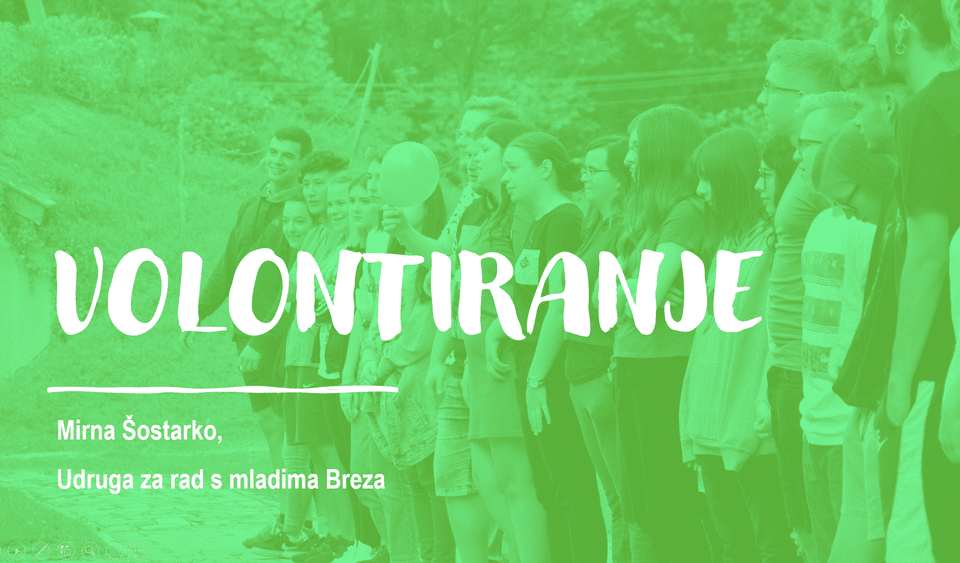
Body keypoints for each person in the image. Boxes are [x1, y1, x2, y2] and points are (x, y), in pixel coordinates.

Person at [180, 126, 312, 548]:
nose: (276, 160)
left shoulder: (301, 212)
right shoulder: (251, 204)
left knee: (290, 428)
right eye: (273, 151)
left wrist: (262, 342)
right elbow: (228, 263)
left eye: (287, 155)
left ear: (301, 164)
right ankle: (289, 520)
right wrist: (198, 310)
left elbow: (295, 286)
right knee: (270, 422)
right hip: (246, 330)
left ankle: (302, 524)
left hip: (280, 335)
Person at [679, 128, 799, 563]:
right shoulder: (726, 245)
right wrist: (691, 418)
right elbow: (706, 339)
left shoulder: (771, 246)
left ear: (731, 179)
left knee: (772, 546)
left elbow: (772, 338)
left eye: (708, 178)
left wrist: (759, 407)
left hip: (751, 428)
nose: (700, 190)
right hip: (710, 428)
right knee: (732, 545)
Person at [868, 1, 960, 562]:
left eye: (874, 23)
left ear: (901, 27)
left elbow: (928, 253)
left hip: (941, 365)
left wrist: (899, 380)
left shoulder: (925, 110)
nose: (871, 39)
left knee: (926, 539)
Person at [489, 131, 605, 563]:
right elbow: (530, 297)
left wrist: (537, 379)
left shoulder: (565, 220)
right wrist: (500, 328)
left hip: (551, 371)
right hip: (530, 367)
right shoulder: (538, 223)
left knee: (571, 487)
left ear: (545, 169)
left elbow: (560, 305)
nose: (505, 177)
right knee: (548, 489)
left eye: (513, 167)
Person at [755, 40, 844, 561]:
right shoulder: (799, 167)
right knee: (802, 530)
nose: (761, 98)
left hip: (811, 375)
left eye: (770, 87)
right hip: (788, 367)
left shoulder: (823, 172)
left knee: (818, 534)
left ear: (805, 94)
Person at [611, 104, 708, 563]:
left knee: (669, 503)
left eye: (636, 148)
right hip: (632, 361)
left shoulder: (686, 212)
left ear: (661, 152)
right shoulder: (647, 219)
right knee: (643, 507)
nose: (628, 158)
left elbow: (640, 298)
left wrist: (628, 290)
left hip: (665, 366)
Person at [807, 123, 897, 563]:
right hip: (864, 405)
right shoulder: (878, 229)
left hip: (889, 404)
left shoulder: (905, 231)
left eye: (847, 199)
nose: (847, 213)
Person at [362, 184, 457, 563]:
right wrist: (371, 359)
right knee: (412, 478)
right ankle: (422, 555)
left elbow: (426, 322)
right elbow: (379, 317)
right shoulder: (393, 253)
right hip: (390, 377)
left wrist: (387, 364)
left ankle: (439, 557)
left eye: (409, 198)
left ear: (429, 204)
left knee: (431, 478)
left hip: (420, 377)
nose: (397, 208)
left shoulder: (436, 253)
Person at [565, 136, 635, 563]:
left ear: (621, 179)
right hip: (578, 371)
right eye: (584, 169)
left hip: (601, 369)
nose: (585, 177)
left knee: (626, 499)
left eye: (595, 170)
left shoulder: (626, 228)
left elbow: (609, 300)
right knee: (612, 496)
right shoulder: (595, 225)